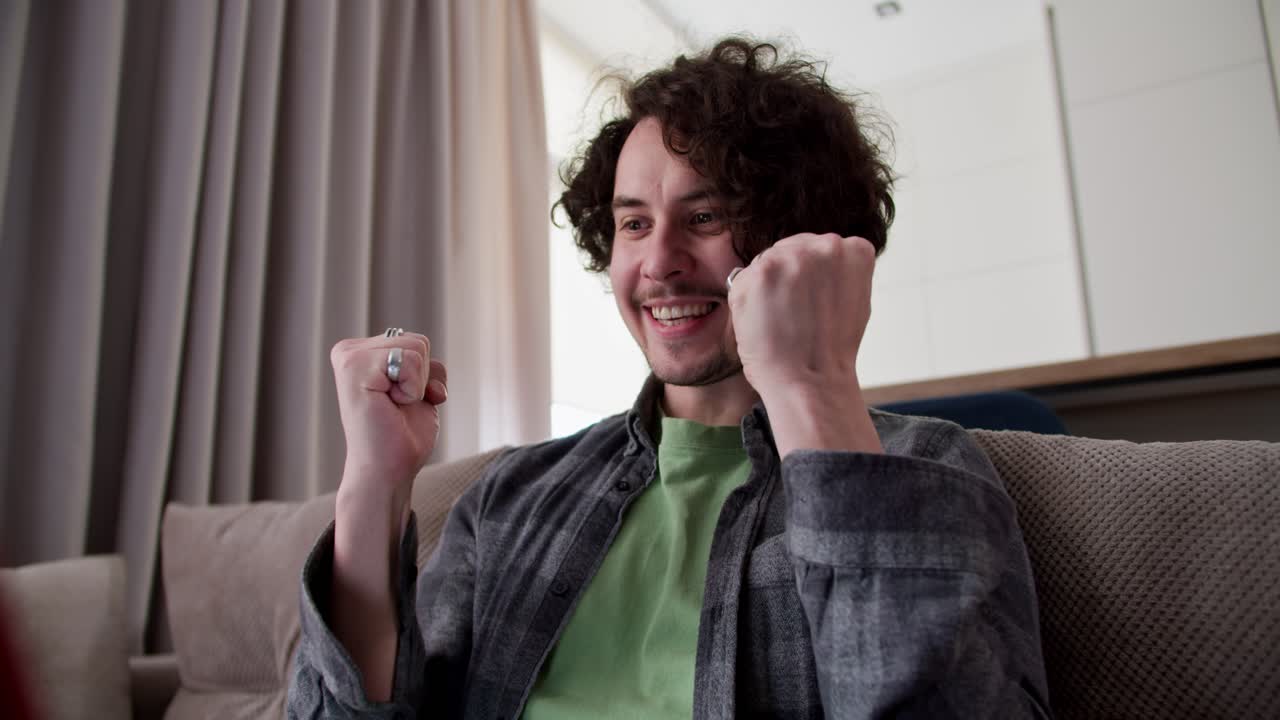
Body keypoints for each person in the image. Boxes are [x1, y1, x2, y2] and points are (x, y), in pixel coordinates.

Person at [288, 38, 1051, 719]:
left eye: (706, 216)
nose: (658, 263)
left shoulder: (923, 467)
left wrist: (812, 391)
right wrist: (373, 485)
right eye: (633, 223)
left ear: (799, 239)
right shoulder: (510, 496)